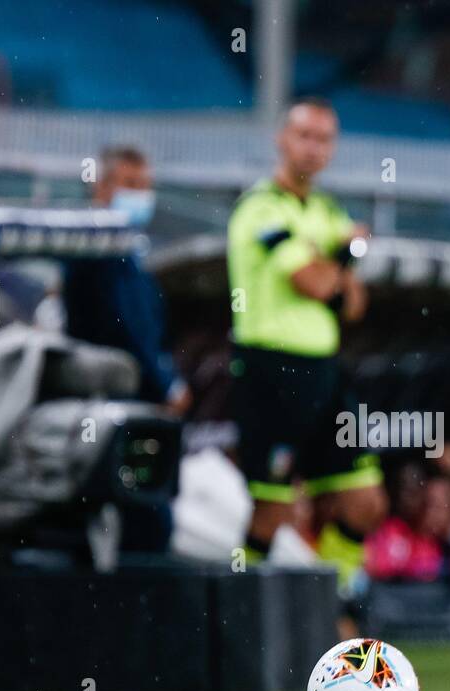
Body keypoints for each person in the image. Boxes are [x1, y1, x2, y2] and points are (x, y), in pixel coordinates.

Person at [226, 98, 387, 590]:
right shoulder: (260, 208)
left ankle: (335, 602)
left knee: (366, 501)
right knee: (273, 507)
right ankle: (237, 603)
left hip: (323, 372)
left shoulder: (324, 210)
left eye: (324, 139)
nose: (314, 148)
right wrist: (337, 263)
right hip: (270, 370)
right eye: (304, 136)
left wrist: (330, 266)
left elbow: (355, 303)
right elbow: (312, 283)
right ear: (282, 139)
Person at [63, 145, 188, 552]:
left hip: (135, 403)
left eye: (144, 186)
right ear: (102, 187)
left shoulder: (130, 251)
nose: (139, 194)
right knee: (135, 517)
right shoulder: (100, 248)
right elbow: (127, 327)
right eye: (129, 184)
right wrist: (164, 383)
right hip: (112, 402)